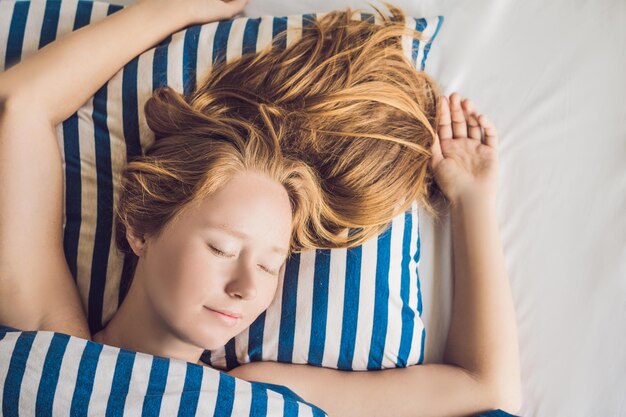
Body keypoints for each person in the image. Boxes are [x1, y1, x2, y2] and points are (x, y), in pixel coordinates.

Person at [0, 0, 522, 416]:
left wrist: (471, 199)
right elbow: (21, 105)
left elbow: (484, 390)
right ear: (141, 226)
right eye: (222, 247)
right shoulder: (51, 342)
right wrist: (173, 8)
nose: (248, 286)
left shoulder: (266, 391)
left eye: (271, 264)